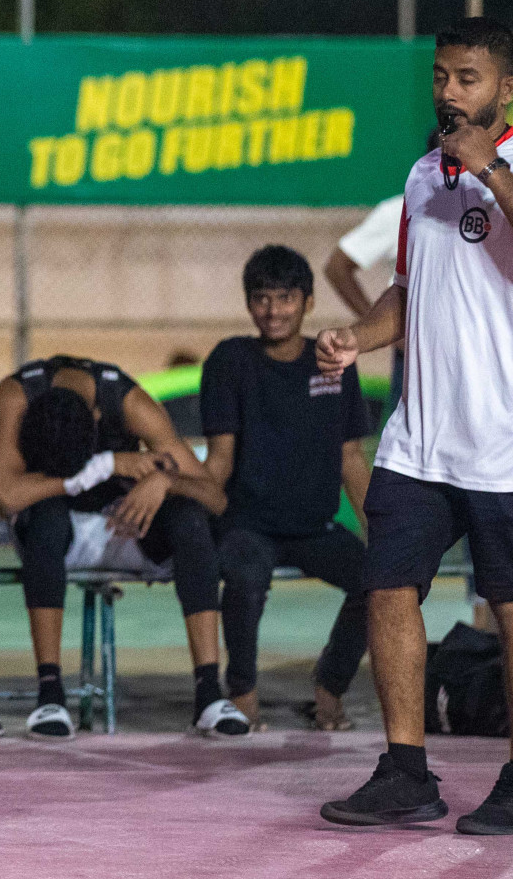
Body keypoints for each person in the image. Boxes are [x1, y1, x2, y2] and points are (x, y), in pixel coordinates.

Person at [318, 17, 513, 835]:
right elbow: (406, 287)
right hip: (419, 443)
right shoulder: (420, 177)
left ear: (504, 86)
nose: (447, 91)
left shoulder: (496, 166)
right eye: (440, 75)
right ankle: (405, 771)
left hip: (505, 449)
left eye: (466, 77)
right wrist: (354, 337)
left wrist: (492, 173)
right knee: (387, 589)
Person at [0, 355, 248, 741]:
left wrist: (165, 481)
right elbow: (7, 496)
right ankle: (51, 695)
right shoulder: (17, 394)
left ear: (97, 418)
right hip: (57, 540)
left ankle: (209, 694)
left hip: (126, 526)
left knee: (190, 521)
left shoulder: (130, 402)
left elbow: (215, 498)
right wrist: (105, 465)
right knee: (45, 517)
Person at [202, 245, 371, 732]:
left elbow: (350, 459)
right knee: (247, 579)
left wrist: (379, 529)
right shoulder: (230, 361)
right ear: (248, 303)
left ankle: (330, 687)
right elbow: (219, 461)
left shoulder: (335, 361)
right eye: (261, 298)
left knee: (377, 579)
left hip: (315, 527)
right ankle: (243, 695)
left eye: (285, 297)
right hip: (247, 524)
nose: (273, 310)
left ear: (309, 302)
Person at [324, 132, 441, 419]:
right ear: (429, 160)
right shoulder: (401, 209)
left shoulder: (490, 207)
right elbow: (337, 266)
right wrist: (377, 328)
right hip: (414, 354)